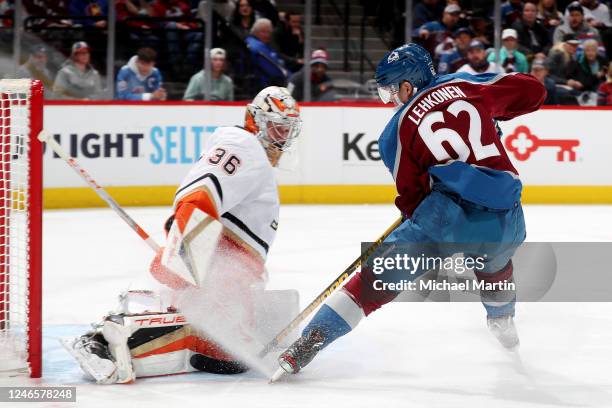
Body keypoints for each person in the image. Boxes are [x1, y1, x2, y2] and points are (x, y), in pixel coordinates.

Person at [275, 43, 546, 377]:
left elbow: (412, 198)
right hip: (508, 215)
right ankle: (503, 323)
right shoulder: (467, 86)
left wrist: (416, 222)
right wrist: (492, 109)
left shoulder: (394, 133)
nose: (390, 101)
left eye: (391, 92)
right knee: (495, 265)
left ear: (407, 86)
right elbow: (533, 91)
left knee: (371, 284)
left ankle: (309, 343)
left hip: (445, 221)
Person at [63, 86, 303, 384]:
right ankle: (104, 343)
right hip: (214, 271)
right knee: (222, 347)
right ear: (257, 121)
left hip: (226, 275)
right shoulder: (243, 146)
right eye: (278, 129)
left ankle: (118, 337)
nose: (283, 138)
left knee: (227, 355)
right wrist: (186, 259)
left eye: (288, 131)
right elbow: (199, 196)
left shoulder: (251, 155)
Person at [246, 18, 289, 88]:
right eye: (263, 32)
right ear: (255, 32)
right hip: (265, 85)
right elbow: (274, 71)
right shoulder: (257, 46)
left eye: (269, 32)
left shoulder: (263, 44)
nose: (267, 35)